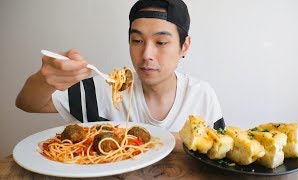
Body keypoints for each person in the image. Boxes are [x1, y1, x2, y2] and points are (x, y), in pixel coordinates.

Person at [16, 0, 225, 132]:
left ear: (184, 46)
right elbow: (28, 103)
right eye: (137, 41)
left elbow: (218, 156)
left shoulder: (201, 96)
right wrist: (44, 80)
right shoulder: (105, 90)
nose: (146, 55)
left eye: (161, 42)